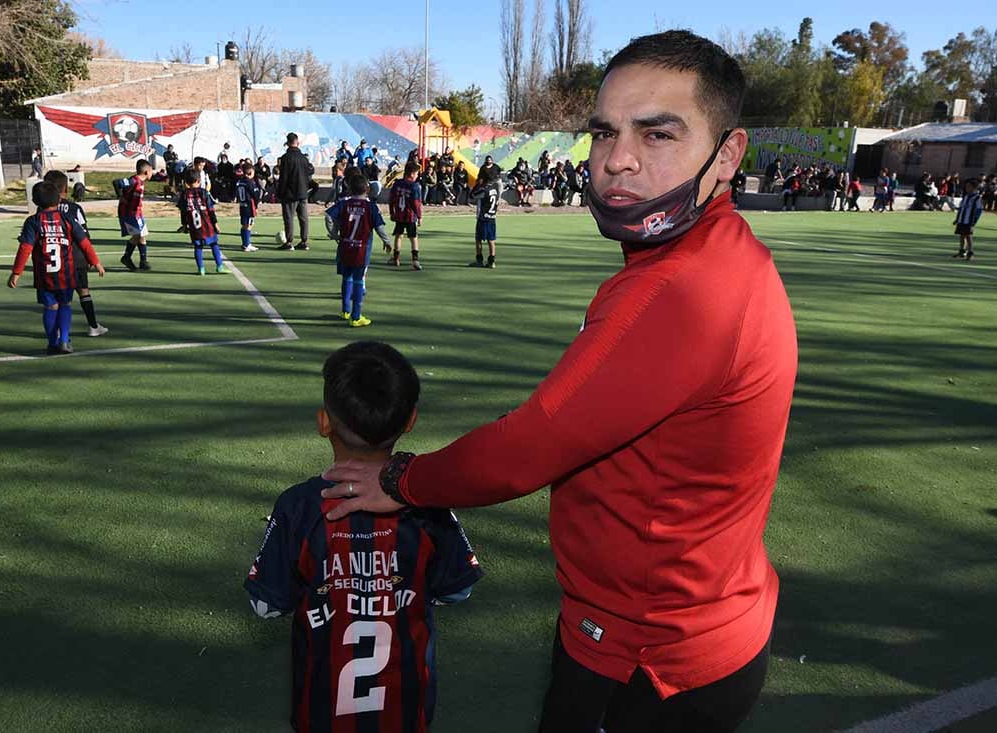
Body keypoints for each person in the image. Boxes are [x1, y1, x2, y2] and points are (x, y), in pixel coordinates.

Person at [319, 30, 797, 733]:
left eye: (658, 133)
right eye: (604, 132)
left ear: (727, 154)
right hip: (701, 619)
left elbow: (528, 447)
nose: (618, 159)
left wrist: (400, 481)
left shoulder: (681, 290)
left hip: (647, 652)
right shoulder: (720, 255)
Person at [244, 340, 483, 733]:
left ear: (324, 423)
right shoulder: (429, 505)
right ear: (410, 421)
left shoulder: (299, 508)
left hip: (321, 714)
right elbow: (457, 591)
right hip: (406, 713)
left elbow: (266, 605)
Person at [8, 181, 105, 354]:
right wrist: (96, 261)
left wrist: (16, 273)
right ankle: (65, 340)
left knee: (51, 307)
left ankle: (53, 342)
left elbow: (25, 248)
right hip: (67, 274)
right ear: (59, 199)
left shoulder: (33, 221)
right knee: (65, 304)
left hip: (45, 275)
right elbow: (84, 242)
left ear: (35, 201)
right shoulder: (67, 219)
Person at [44, 170, 107, 337]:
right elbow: (84, 235)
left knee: (58, 298)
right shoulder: (74, 208)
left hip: (55, 259)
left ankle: (57, 332)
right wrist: (90, 257)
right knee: (83, 291)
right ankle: (93, 326)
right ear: (65, 188)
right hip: (76, 257)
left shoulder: (43, 210)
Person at [324, 174, 389, 328]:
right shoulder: (370, 207)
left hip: (345, 246)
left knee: (346, 277)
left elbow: (328, 216)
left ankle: (345, 310)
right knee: (359, 279)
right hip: (361, 249)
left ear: (349, 188)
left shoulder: (344, 203)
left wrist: (334, 234)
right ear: (367, 189)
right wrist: (387, 241)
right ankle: (356, 316)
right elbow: (379, 227)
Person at [177, 168, 227, 275]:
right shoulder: (204, 193)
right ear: (199, 181)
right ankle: (219, 266)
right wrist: (216, 224)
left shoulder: (184, 195)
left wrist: (184, 225)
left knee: (198, 247)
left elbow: (183, 211)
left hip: (194, 226)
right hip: (207, 224)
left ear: (186, 182)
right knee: (214, 244)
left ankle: (201, 268)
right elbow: (211, 210)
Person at [277, 132, 315, 251]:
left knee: (289, 217)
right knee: (303, 218)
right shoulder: (303, 158)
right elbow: (309, 172)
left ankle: (289, 242)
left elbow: (284, 177)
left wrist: (280, 192)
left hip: (290, 193)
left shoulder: (286, 158)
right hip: (303, 192)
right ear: (297, 142)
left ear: (287, 143)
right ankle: (304, 241)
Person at [117, 159, 152, 271]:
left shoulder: (141, 182)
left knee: (142, 234)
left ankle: (143, 261)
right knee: (137, 235)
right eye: (151, 171)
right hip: (129, 213)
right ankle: (126, 257)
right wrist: (120, 196)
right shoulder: (134, 181)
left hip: (137, 212)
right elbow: (117, 182)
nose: (153, 173)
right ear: (146, 172)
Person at [388, 161, 424, 270]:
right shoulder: (415, 186)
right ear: (412, 173)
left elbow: (391, 199)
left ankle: (396, 258)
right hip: (410, 216)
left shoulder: (397, 184)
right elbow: (416, 203)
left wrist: (392, 212)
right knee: (413, 238)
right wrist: (419, 216)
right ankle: (415, 261)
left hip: (399, 214)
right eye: (417, 173)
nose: (417, 175)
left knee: (399, 236)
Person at [471, 178, 500, 268]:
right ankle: (492, 261)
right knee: (491, 240)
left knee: (478, 239)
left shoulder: (483, 191)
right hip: (492, 217)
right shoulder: (495, 190)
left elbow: (472, 196)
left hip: (483, 218)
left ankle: (479, 260)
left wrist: (477, 185)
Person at [953, 178, 983, 261]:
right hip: (962, 220)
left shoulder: (977, 198)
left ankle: (971, 252)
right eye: (966, 187)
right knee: (962, 235)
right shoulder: (965, 197)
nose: (966, 188)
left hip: (969, 221)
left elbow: (979, 211)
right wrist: (957, 219)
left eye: (968, 187)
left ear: (974, 188)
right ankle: (962, 251)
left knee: (968, 236)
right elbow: (961, 208)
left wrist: (974, 222)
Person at [234, 163, 261, 252]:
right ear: (250, 172)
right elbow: (255, 194)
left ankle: (244, 243)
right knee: (249, 225)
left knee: (244, 224)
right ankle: (246, 244)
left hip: (242, 205)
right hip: (250, 206)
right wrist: (257, 204)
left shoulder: (239, 181)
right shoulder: (250, 182)